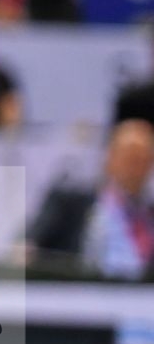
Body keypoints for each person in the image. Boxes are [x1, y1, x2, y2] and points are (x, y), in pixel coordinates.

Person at [30, 119, 154, 280]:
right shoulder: (70, 205)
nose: (135, 167)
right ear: (110, 158)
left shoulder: (148, 216)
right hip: (79, 295)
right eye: (129, 157)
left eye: (142, 159)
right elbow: (29, 247)